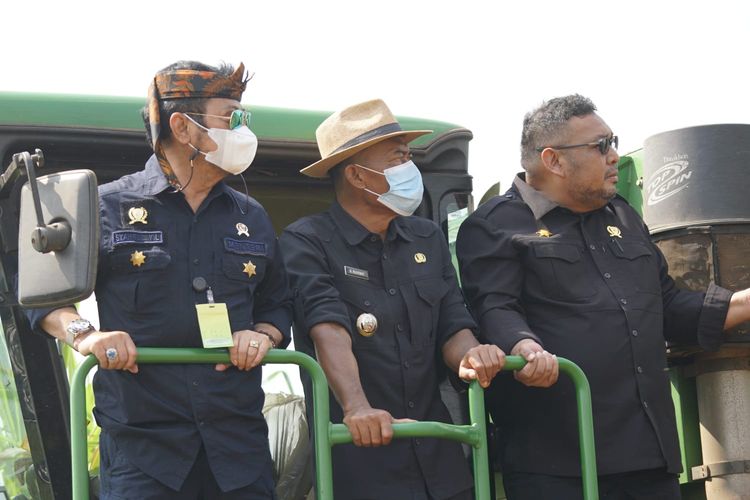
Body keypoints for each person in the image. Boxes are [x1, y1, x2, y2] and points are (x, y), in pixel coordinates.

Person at [456, 94, 750, 499]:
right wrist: (524, 347)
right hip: (558, 466)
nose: (613, 156)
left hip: (650, 458)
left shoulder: (625, 216)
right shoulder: (492, 226)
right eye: (601, 145)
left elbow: (668, 309)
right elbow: (494, 307)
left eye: (613, 142)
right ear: (553, 160)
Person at [26, 61, 291, 499]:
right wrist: (86, 337)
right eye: (232, 117)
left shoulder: (252, 216)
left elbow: (277, 302)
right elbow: (42, 299)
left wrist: (263, 335)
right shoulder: (105, 206)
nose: (244, 130)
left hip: (238, 452)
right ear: (183, 127)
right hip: (146, 456)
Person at [279, 99, 505, 500]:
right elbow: (326, 327)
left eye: (409, 158)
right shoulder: (307, 240)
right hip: (362, 460)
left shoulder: (426, 237)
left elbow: (452, 320)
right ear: (356, 175)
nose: (408, 169)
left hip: (439, 458)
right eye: (398, 158)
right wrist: (357, 408)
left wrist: (472, 356)